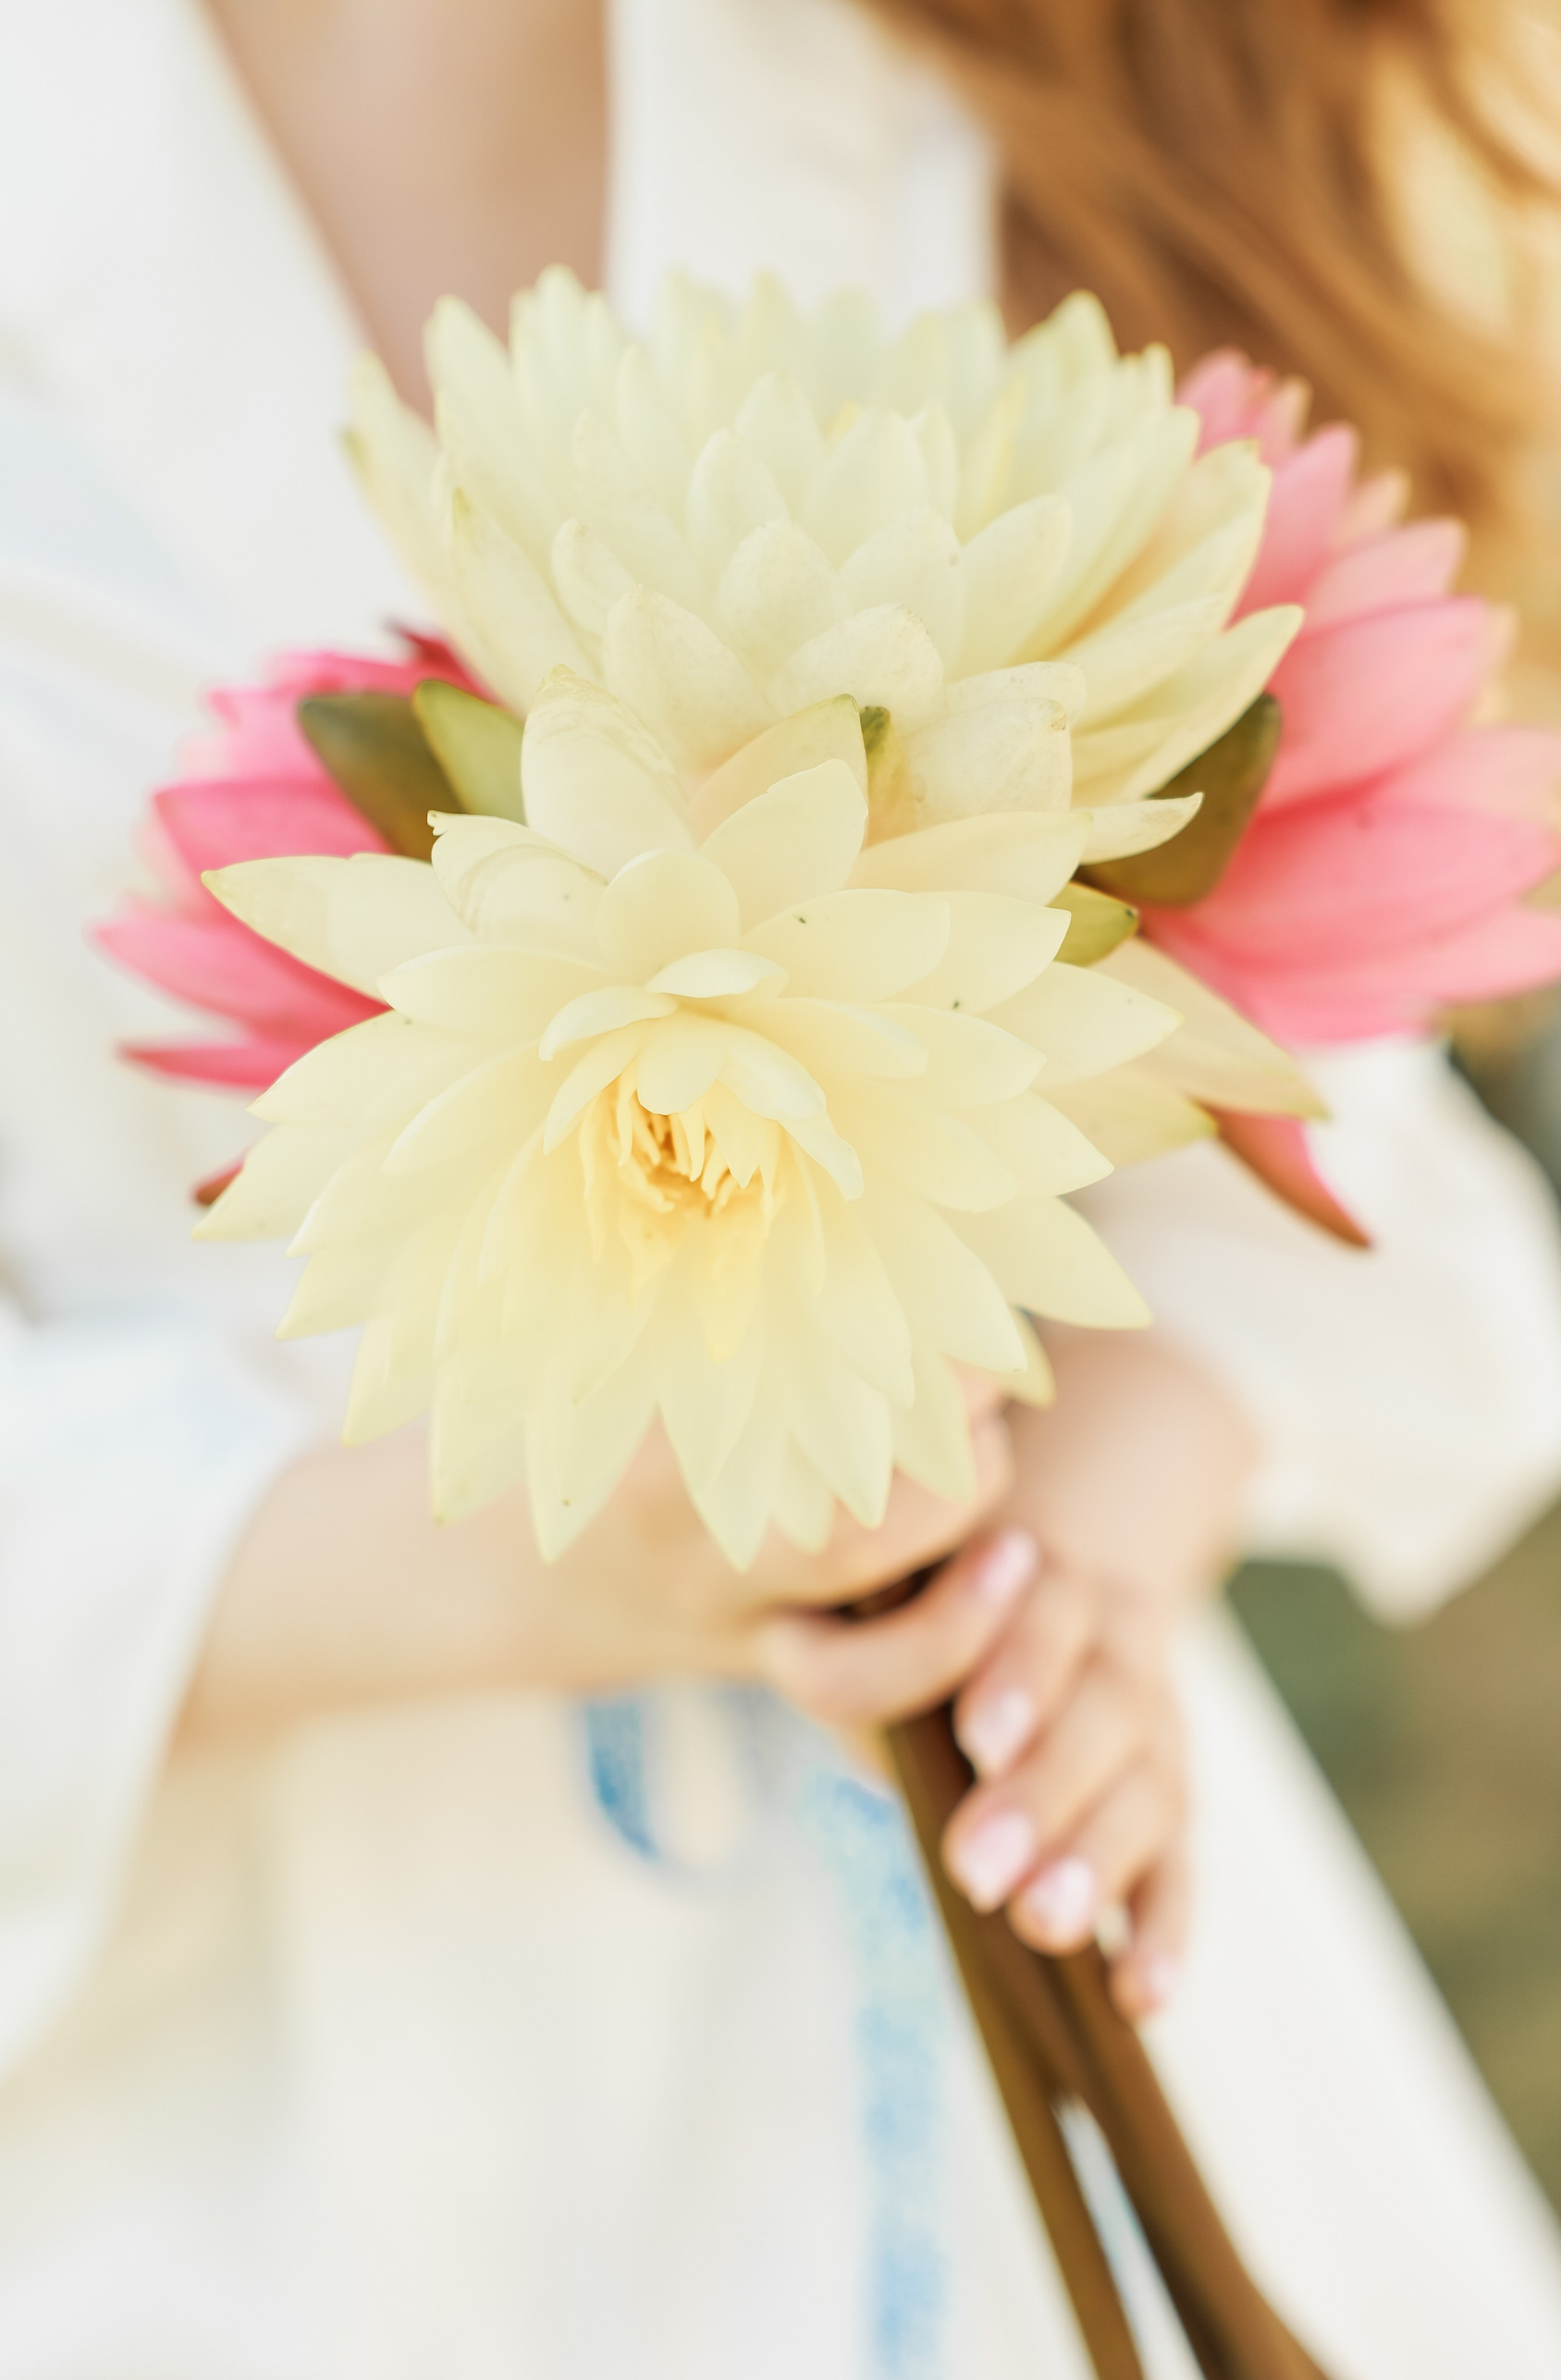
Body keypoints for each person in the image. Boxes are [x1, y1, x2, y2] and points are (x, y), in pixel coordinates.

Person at [2, 0, 1561, 2372]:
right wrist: (517, 1545)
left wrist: (1082, 1560)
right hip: (233, 2132)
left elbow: (1308, 1086)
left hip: (1057, 1991)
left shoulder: (1017, 70)